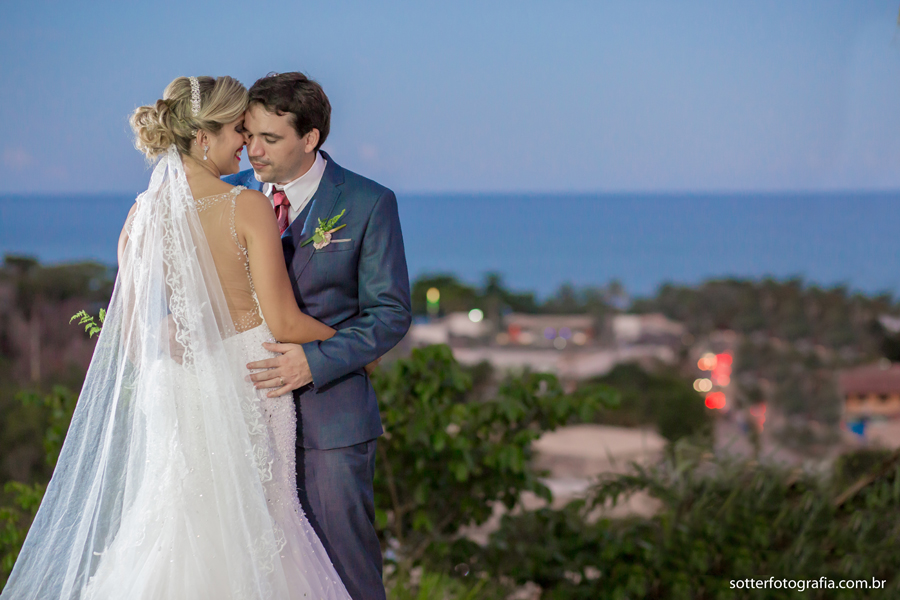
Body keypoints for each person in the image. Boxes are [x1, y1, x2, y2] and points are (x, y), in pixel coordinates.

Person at [0, 76, 354, 599]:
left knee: (177, 523)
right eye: (237, 129)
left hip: (177, 395)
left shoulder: (140, 216)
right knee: (261, 530)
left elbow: (135, 340)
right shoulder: (246, 206)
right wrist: (353, 345)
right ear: (203, 137)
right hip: (248, 383)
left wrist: (180, 338)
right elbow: (283, 323)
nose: (246, 143)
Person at [224, 72, 412, 600]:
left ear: (310, 138)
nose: (253, 150)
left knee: (343, 571)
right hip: (242, 416)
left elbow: (390, 312)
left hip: (331, 419)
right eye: (248, 134)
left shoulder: (369, 201)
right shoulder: (229, 198)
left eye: (270, 138)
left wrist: (316, 360)